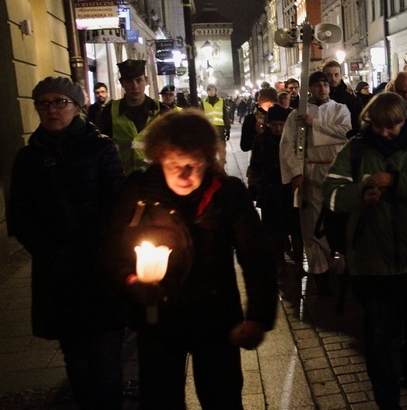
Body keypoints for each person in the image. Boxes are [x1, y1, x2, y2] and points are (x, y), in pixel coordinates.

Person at [102, 109, 278, 408]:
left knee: (222, 399)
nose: (184, 174)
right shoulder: (139, 193)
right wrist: (132, 282)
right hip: (158, 321)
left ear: (207, 159)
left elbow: (257, 256)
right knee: (161, 399)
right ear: (159, 158)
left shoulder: (227, 193)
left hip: (216, 317)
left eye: (193, 164)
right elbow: (111, 254)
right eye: (174, 164)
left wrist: (259, 317)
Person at [322, 92, 407, 408]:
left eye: (390, 127)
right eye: (378, 127)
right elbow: (332, 196)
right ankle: (386, 400)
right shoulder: (355, 151)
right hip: (370, 263)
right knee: (378, 338)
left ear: (403, 121)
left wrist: (397, 180)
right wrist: (360, 194)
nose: (384, 133)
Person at [9, 77, 126, 409]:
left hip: (100, 270)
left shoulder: (101, 148)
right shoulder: (28, 158)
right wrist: (52, 254)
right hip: (57, 274)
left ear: (76, 107)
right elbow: (20, 217)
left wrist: (87, 249)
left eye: (60, 101)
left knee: (104, 362)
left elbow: (115, 206)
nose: (51, 109)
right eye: (43, 103)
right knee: (76, 362)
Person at [280, 71, 351, 292]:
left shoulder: (340, 109)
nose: (322, 89)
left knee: (336, 222)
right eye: (317, 85)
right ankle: (319, 271)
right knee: (311, 224)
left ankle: (339, 267)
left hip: (335, 172)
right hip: (310, 173)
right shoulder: (296, 115)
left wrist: (315, 124)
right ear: (309, 89)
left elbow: (344, 133)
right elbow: (287, 146)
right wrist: (295, 173)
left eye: (325, 85)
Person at [247, 104, 295, 272]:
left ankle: (290, 251)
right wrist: (255, 186)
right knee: (272, 227)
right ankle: (279, 260)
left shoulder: (291, 138)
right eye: (274, 124)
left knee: (291, 223)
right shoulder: (261, 140)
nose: (278, 128)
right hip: (269, 188)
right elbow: (254, 164)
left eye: (281, 124)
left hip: (288, 186)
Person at [99, 59, 167, 175]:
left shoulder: (162, 111)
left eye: (138, 80)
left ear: (146, 81)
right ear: (122, 83)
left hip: (154, 179)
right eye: (129, 81)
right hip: (121, 180)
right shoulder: (109, 112)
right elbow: (101, 149)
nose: (134, 86)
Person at [324, 59, 362, 135]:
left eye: (336, 74)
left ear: (341, 75)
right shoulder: (320, 98)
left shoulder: (351, 99)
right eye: (329, 75)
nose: (333, 78)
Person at [240, 87, 278, 152]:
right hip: (260, 158)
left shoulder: (279, 116)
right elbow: (245, 146)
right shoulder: (251, 119)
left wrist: (261, 134)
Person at [203, 83, 231, 166]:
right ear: (207, 92)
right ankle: (214, 166)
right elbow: (201, 115)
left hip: (220, 129)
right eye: (209, 90)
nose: (211, 92)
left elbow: (225, 115)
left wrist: (228, 128)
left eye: (213, 90)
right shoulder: (203, 102)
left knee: (222, 149)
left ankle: (222, 166)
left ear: (215, 91)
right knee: (211, 149)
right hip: (209, 130)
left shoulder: (221, 101)